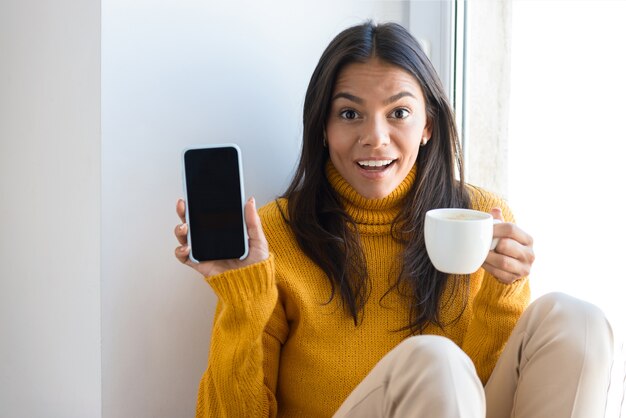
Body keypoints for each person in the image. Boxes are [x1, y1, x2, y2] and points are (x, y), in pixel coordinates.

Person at [174, 21, 614, 418]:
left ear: (428, 126)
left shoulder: (478, 218)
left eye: (399, 113)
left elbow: (476, 397)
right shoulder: (275, 236)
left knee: (578, 322)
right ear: (322, 130)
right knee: (432, 361)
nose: (375, 138)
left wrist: (504, 289)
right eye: (349, 114)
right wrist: (243, 302)